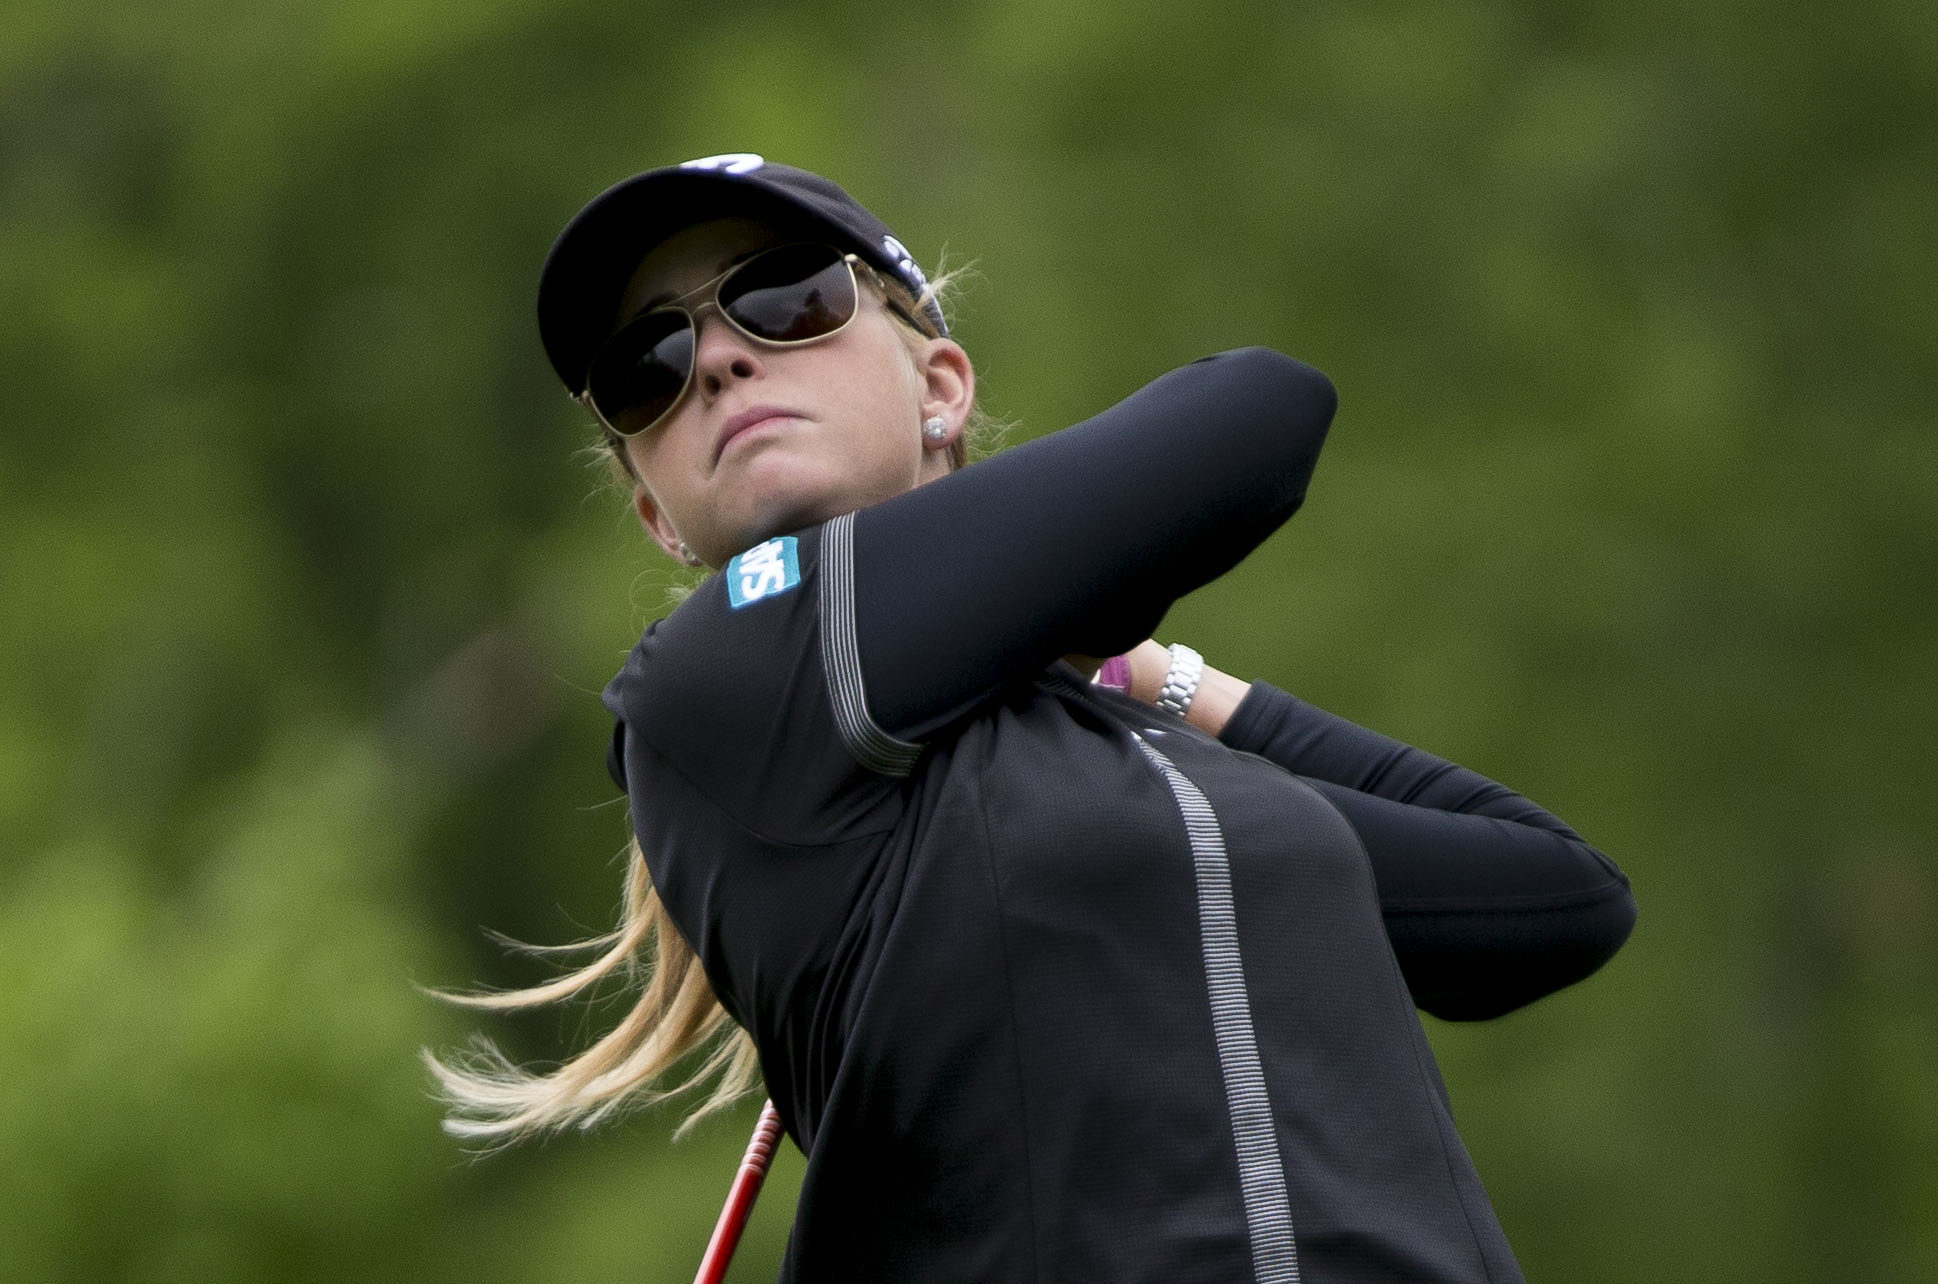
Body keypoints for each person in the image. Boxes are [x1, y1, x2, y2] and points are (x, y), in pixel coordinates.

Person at [430, 152, 1636, 1283]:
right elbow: (1253, 419)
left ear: (939, 387)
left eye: (787, 299)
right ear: (658, 519)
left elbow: (1554, 899)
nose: (715, 362)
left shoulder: (1128, 762)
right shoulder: (716, 674)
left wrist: (1155, 679)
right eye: (648, 365)